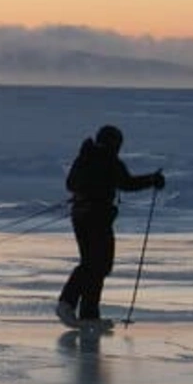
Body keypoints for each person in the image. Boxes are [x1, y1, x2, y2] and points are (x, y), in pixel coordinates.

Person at [58, 125, 164, 328]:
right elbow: (127, 183)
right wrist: (152, 180)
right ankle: (68, 303)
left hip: (82, 216)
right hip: (95, 217)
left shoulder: (85, 156)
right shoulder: (108, 160)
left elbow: (71, 184)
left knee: (95, 264)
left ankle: (88, 314)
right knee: (96, 264)